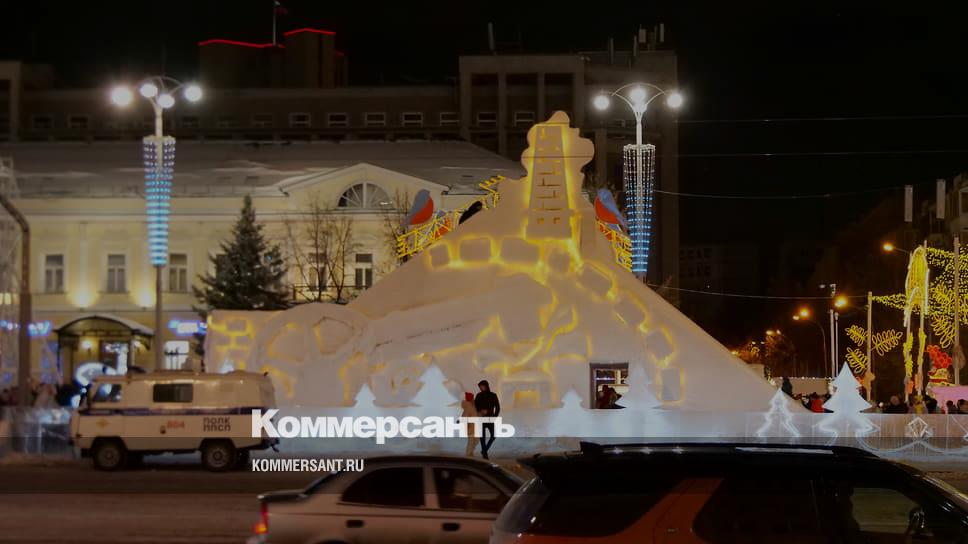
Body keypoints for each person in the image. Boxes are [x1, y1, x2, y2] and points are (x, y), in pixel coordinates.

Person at [474, 380, 500, 460]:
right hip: (481, 418)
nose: (481, 388)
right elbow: (475, 406)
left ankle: (484, 451)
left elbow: (497, 407)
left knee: (493, 436)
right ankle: (485, 455)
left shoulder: (493, 395)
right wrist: (480, 411)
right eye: (480, 387)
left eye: (482, 386)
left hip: (490, 418)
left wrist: (494, 417)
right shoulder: (478, 395)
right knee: (482, 437)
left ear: (486, 386)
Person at [460, 392, 478, 457]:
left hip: (474, 427)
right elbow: (464, 417)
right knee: (471, 442)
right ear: (470, 399)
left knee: (475, 441)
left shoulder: (472, 406)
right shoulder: (468, 407)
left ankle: (470, 454)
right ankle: (468, 455)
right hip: (471, 427)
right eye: (472, 398)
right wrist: (468, 425)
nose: (473, 399)